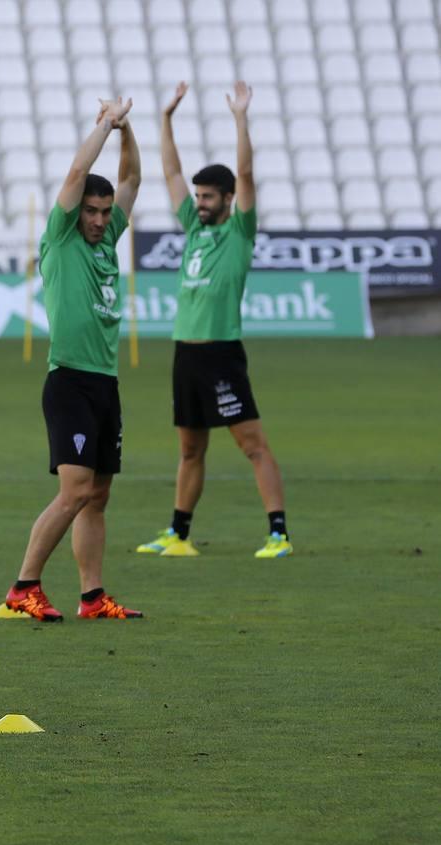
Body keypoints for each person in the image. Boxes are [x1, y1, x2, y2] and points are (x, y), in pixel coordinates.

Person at [136, 81, 292, 559]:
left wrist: (240, 117)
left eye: (208, 197)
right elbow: (171, 171)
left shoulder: (240, 231)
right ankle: (179, 535)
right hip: (186, 351)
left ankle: (278, 535)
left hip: (222, 353)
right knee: (189, 450)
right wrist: (165, 120)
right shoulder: (194, 228)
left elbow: (245, 170)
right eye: (198, 196)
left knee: (252, 445)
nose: (199, 202)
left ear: (228, 199)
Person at [2, 98, 144, 623]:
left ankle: (92, 597)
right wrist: (106, 126)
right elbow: (79, 170)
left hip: (105, 383)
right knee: (75, 491)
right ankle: (24, 587)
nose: (100, 220)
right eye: (91, 210)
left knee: (98, 495)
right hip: (70, 382)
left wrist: (129, 131)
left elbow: (132, 178)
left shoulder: (107, 238)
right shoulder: (61, 238)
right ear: (75, 209)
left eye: (105, 212)